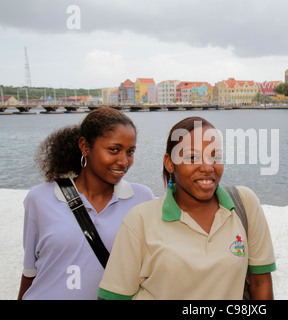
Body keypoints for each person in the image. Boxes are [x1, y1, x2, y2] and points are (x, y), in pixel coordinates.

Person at [98, 116, 276, 300]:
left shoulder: (243, 204)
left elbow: (260, 282)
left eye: (215, 156)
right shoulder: (140, 220)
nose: (207, 167)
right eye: (192, 157)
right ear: (169, 163)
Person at [18, 107, 155, 300]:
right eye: (114, 150)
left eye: (130, 152)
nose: (124, 161)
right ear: (85, 147)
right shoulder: (40, 198)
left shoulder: (141, 198)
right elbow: (30, 271)